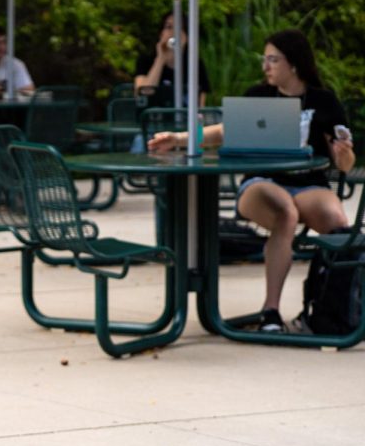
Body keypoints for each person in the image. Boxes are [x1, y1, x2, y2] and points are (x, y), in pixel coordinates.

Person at [148, 28, 356, 333]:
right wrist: (179, 139)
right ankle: (270, 312)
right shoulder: (259, 96)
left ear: (294, 64)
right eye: (265, 59)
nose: (266, 66)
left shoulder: (324, 101)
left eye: (273, 59)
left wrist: (342, 154)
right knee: (285, 213)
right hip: (262, 182)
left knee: (338, 224)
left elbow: (346, 164)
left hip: (309, 184)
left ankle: (325, 309)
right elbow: (222, 131)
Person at [135, 11, 211, 108]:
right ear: (161, 33)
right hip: (151, 120)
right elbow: (144, 93)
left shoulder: (195, 65)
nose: (174, 33)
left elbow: (200, 106)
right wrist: (161, 59)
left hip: (184, 121)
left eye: (179, 28)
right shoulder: (145, 60)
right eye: (169, 27)